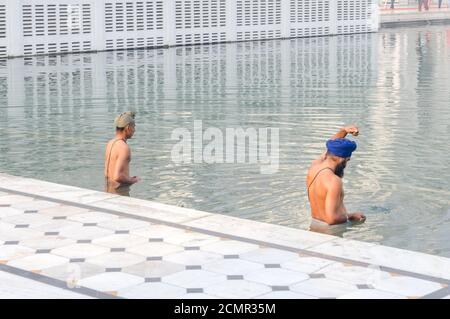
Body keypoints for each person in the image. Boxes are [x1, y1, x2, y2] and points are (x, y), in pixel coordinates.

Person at [306, 125, 366, 227]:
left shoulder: (314, 166)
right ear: (341, 159)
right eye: (347, 160)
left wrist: (344, 131)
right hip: (331, 231)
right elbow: (332, 219)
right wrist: (351, 217)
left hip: (314, 225)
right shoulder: (334, 181)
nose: (346, 165)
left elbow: (331, 146)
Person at [104, 111, 140, 196]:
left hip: (108, 191)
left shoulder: (110, 143)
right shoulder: (124, 148)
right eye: (134, 127)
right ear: (128, 127)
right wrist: (133, 180)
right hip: (119, 194)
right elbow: (117, 176)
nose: (134, 130)